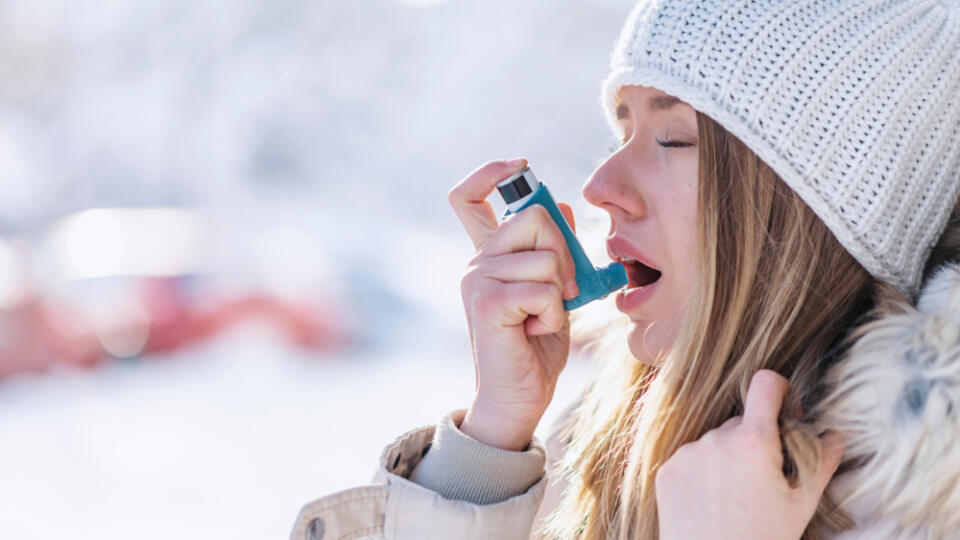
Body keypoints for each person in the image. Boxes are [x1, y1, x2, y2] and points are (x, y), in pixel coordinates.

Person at [292, 0, 960, 538]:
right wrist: (487, 452)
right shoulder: (595, 453)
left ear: (810, 211)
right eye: (622, 134)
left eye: (673, 138)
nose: (601, 185)